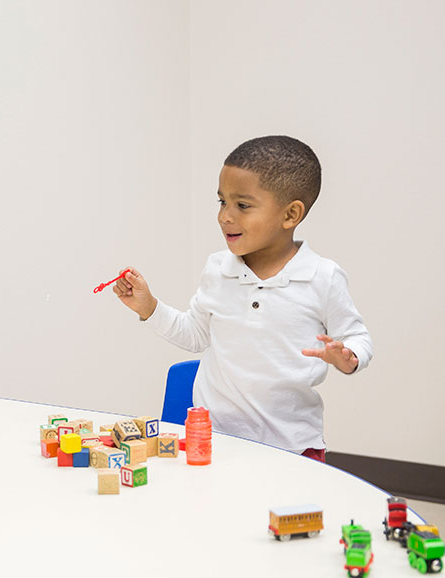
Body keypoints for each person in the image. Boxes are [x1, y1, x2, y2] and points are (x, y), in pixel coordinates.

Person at [112, 135, 372, 462]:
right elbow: (196, 334)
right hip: (215, 440)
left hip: (292, 447)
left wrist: (348, 355)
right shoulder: (218, 268)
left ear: (290, 215)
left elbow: (358, 337)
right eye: (222, 202)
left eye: (242, 205)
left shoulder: (322, 277)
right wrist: (148, 307)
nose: (225, 216)